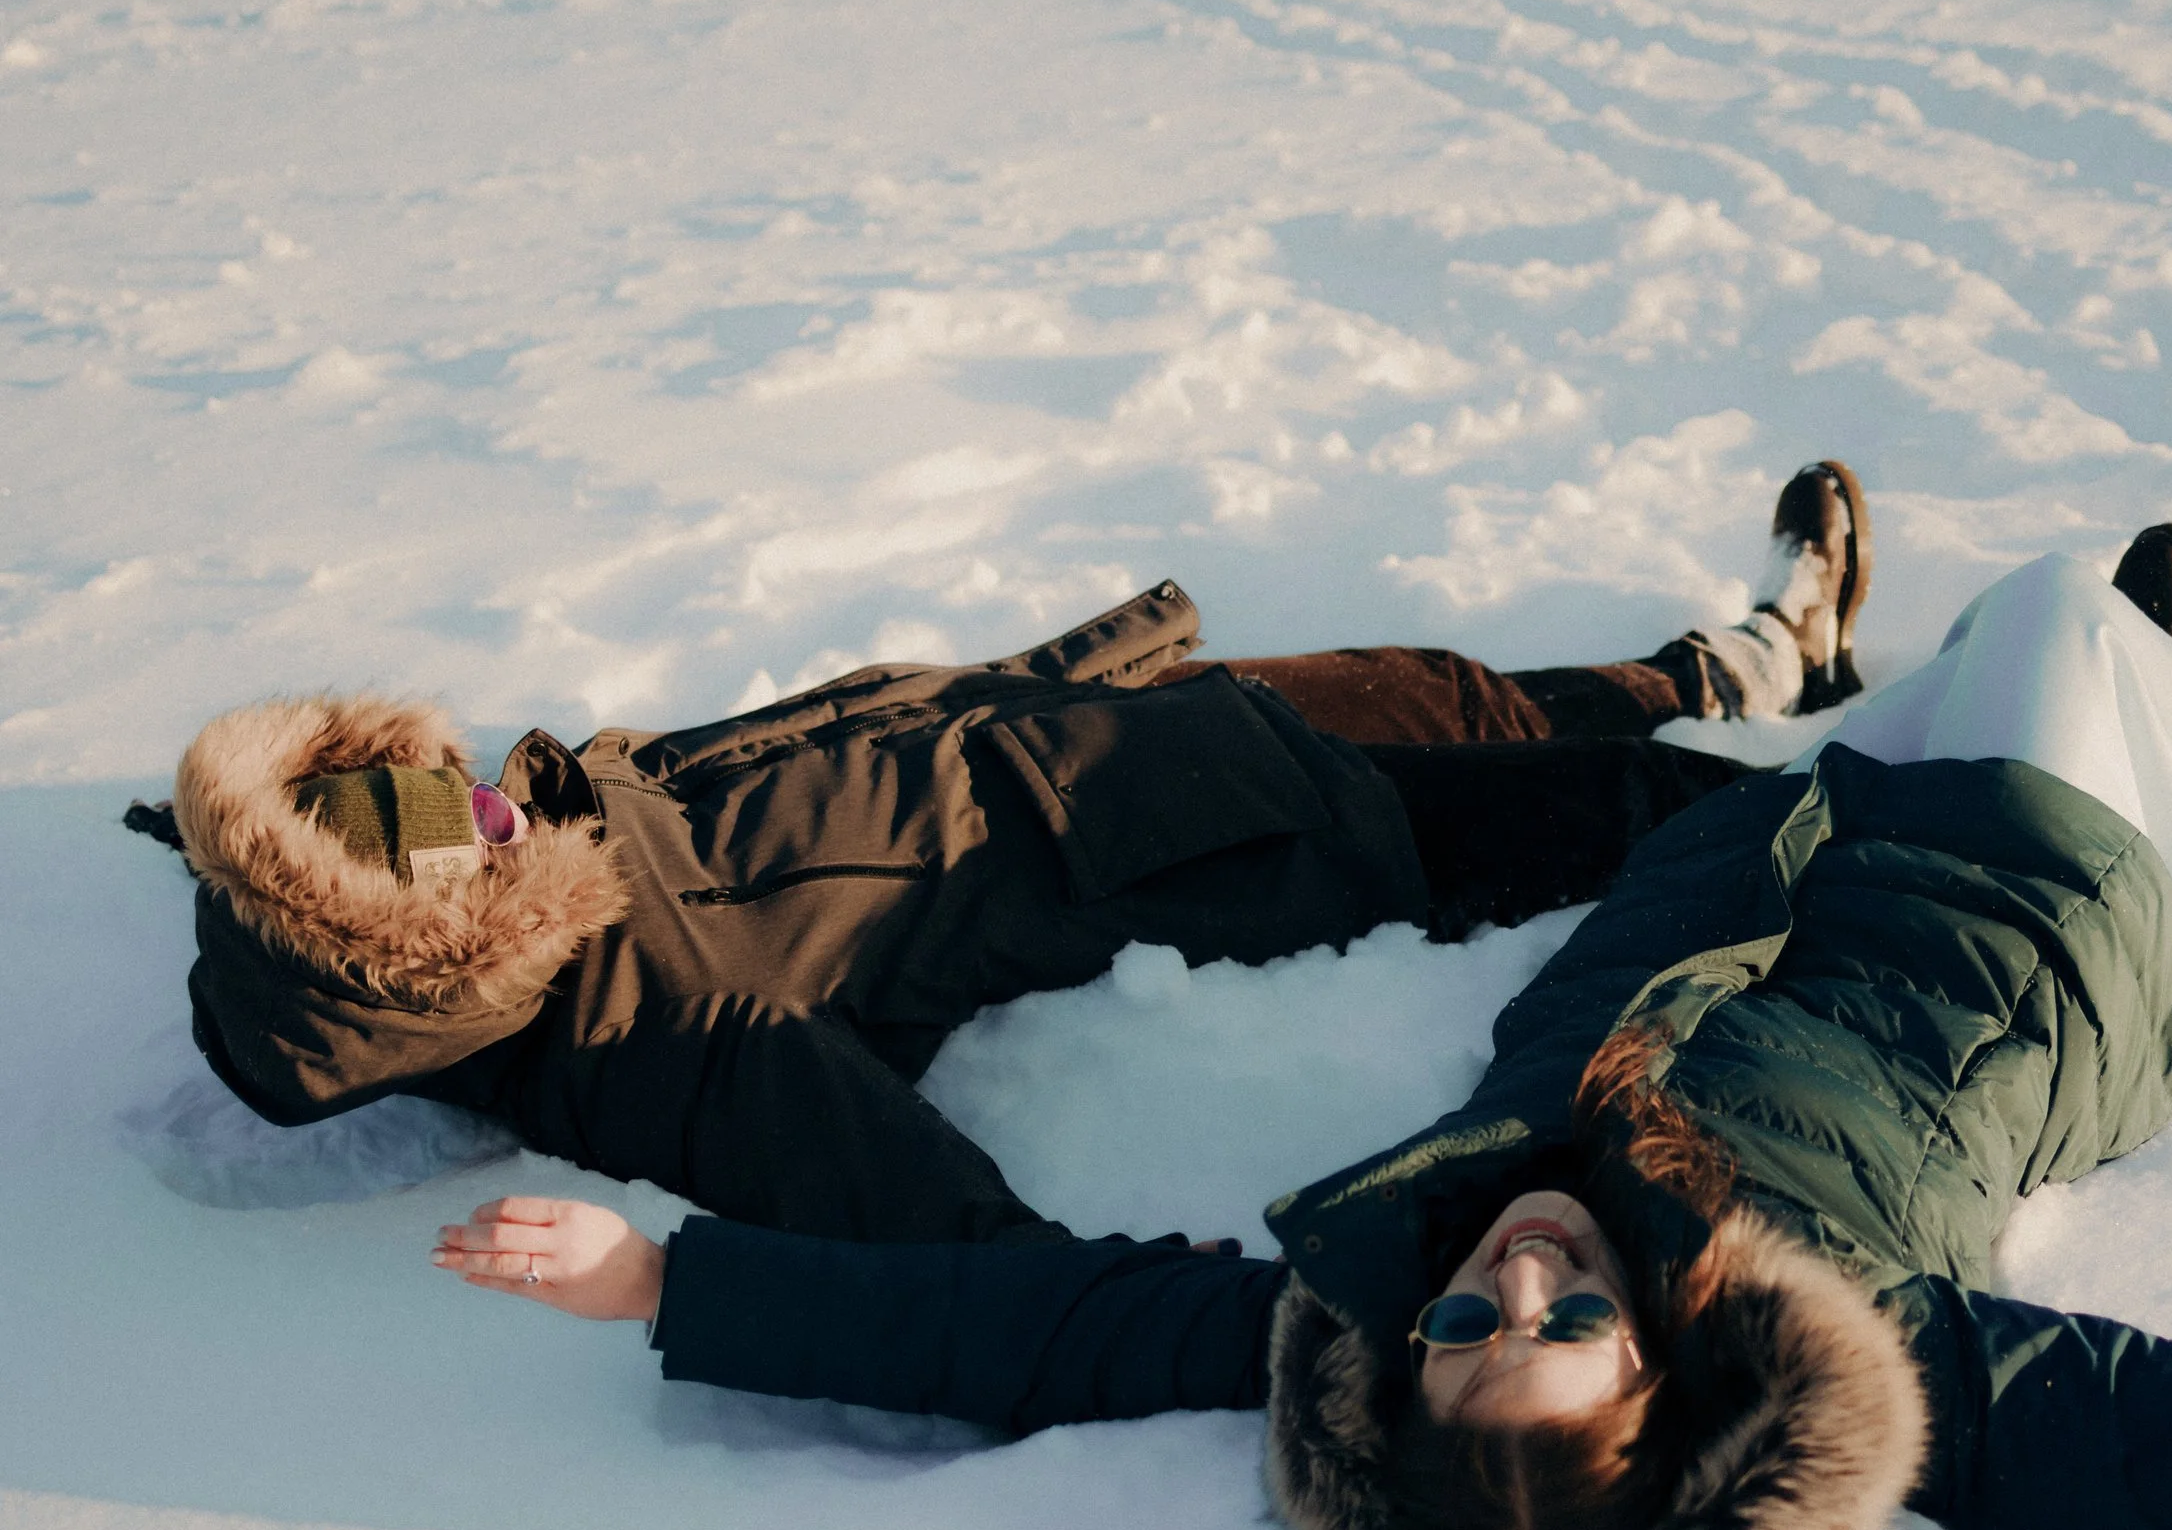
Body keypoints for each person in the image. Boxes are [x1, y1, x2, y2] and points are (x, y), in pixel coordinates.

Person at [434, 517, 2172, 1530]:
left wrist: (671, 1283)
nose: (1513, 1274)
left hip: (1751, 861)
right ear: (1668, 1364)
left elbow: (1040, 1331)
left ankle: (2146, 693)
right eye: (1566, 1326)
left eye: (1463, 1328)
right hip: (2037, 911)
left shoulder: (1355, 1299)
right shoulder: (1860, 1341)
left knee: (1963, 661)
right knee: (2051, 612)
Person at [134, 464, 1872, 1242]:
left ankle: (1748, 663)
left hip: (1137, 725)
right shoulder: (666, 1039)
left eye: (440, 786)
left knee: (1454, 687)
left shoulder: (529, 851)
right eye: (463, 838)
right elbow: (940, 1238)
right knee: (1646, 808)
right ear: (437, 959)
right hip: (1264, 839)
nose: (491, 797)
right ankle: (1949, 748)